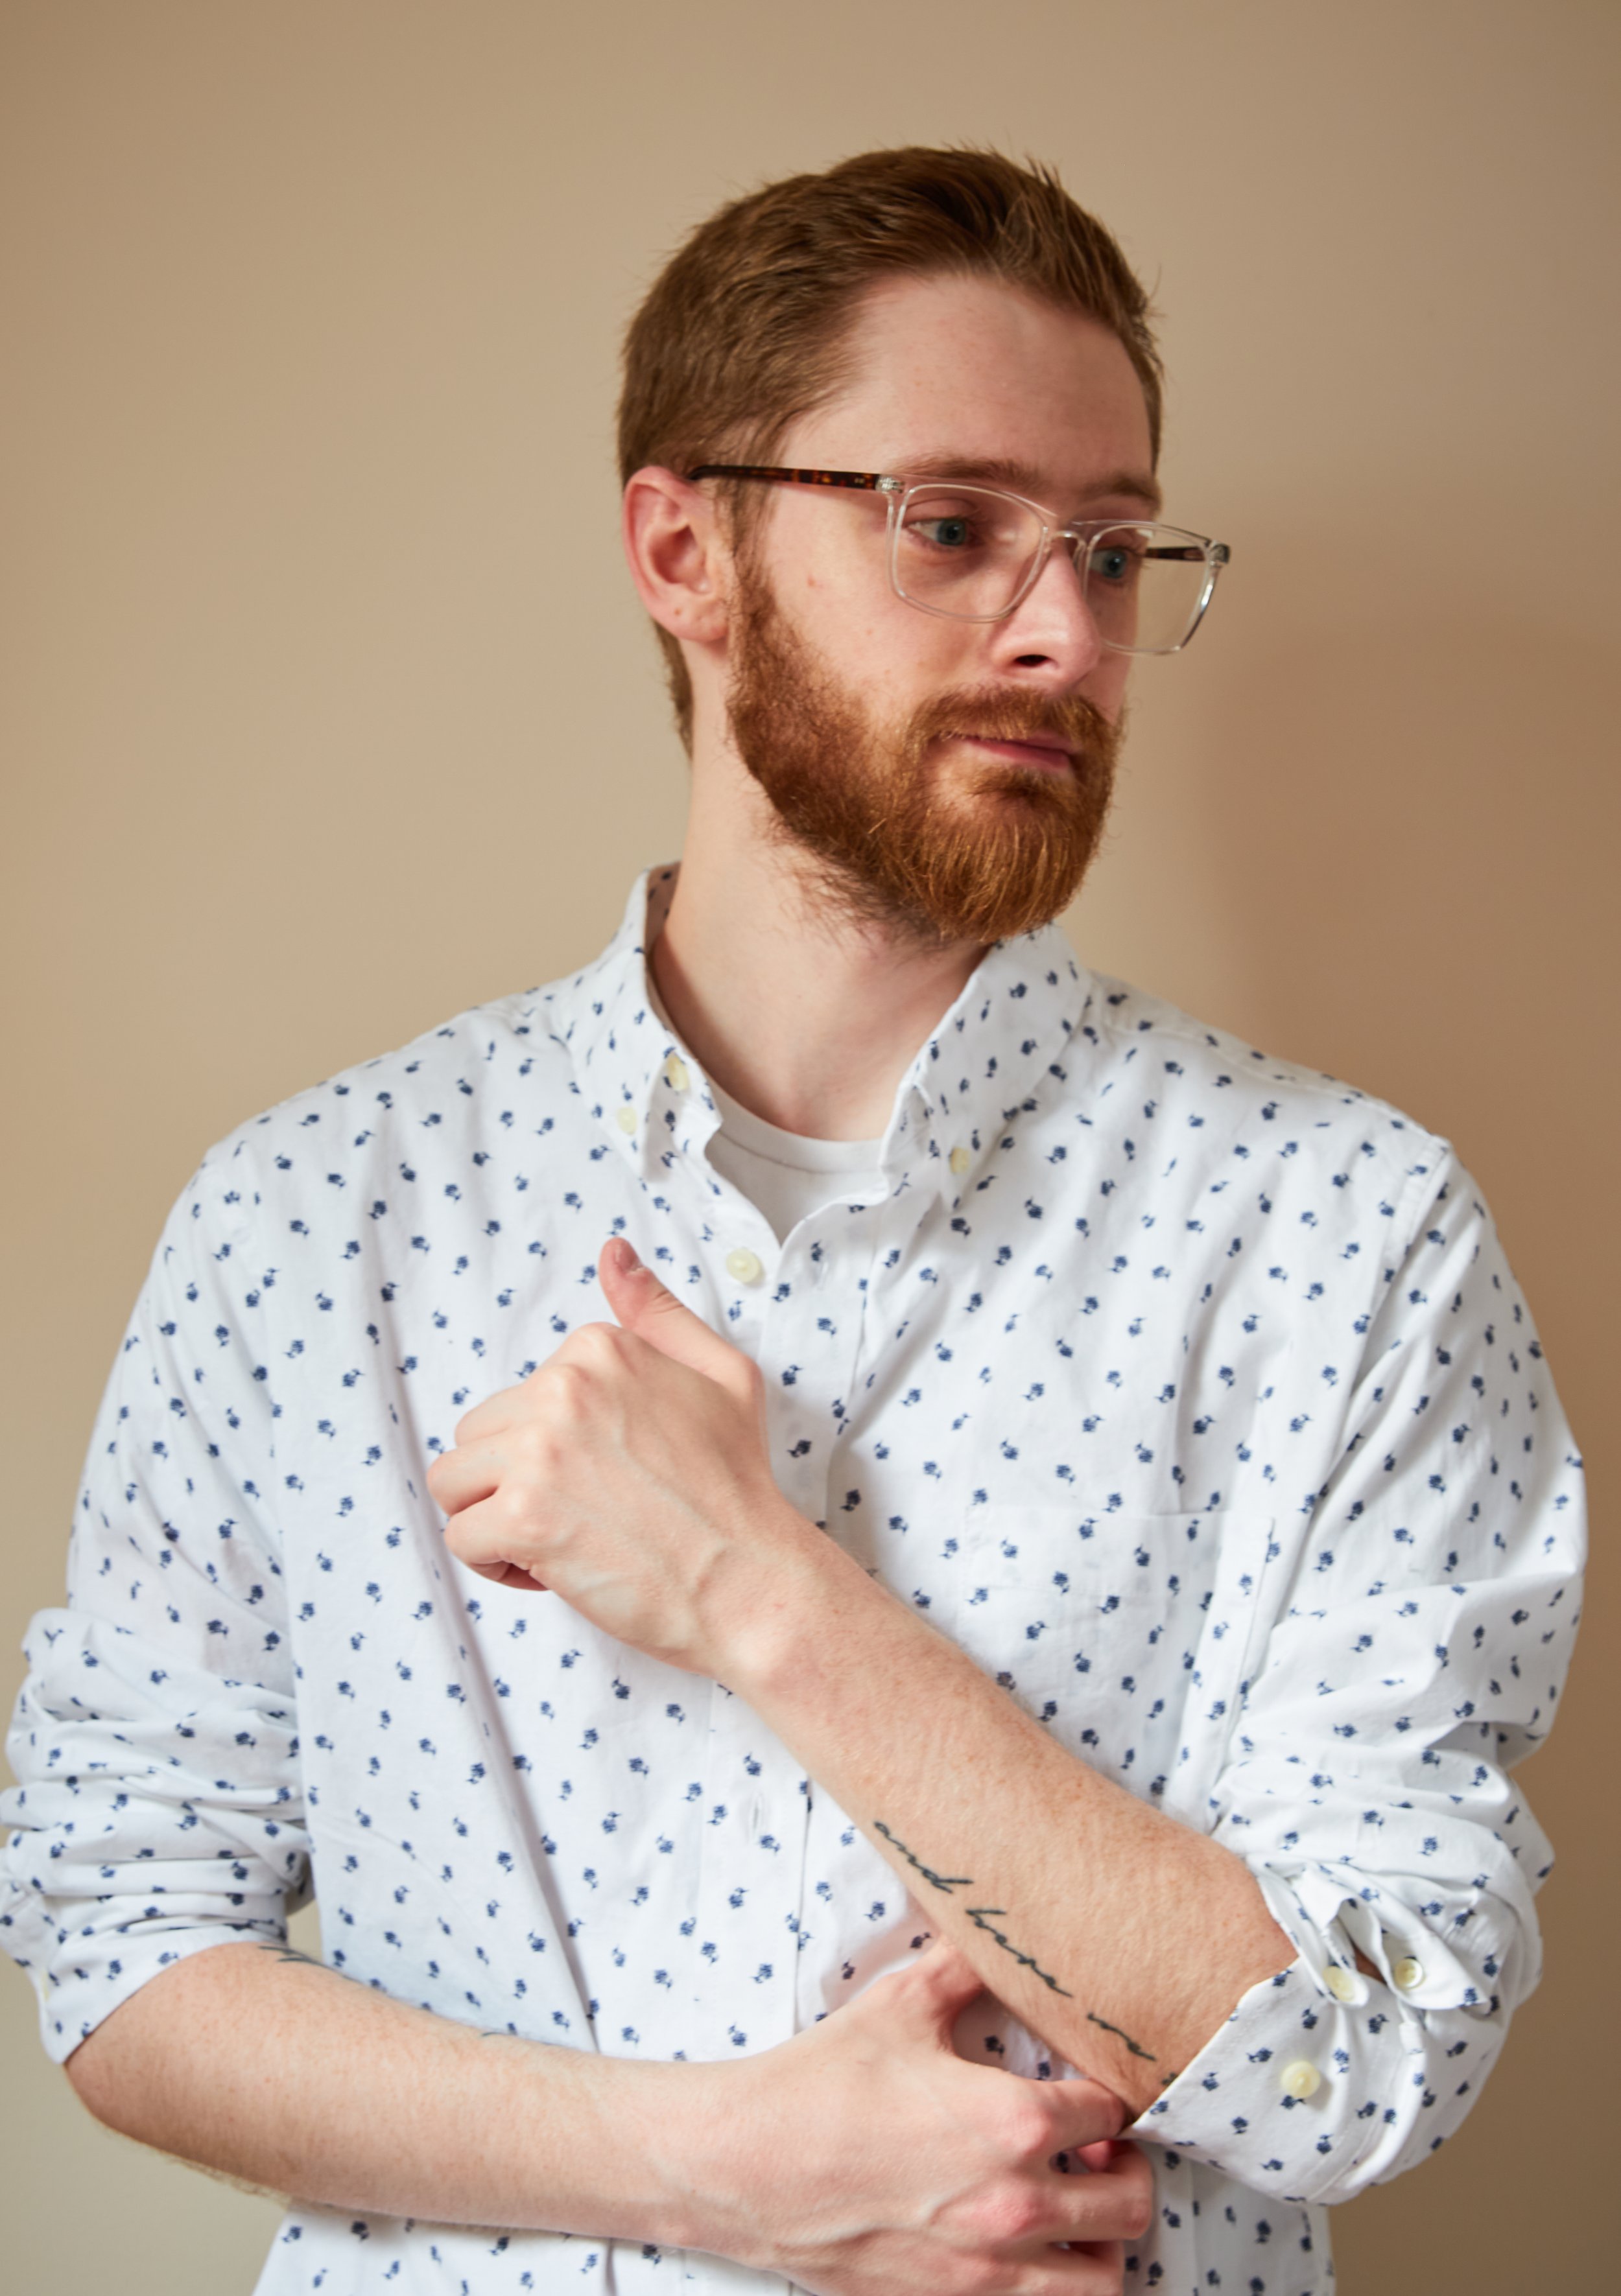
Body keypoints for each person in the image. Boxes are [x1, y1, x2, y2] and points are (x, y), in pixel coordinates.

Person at [1, 147, 1584, 2296]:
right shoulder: (308, 1224)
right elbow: (115, 1946)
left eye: (1114, 547)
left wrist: (764, 1591)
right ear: (687, 550)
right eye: (950, 524)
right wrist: (712, 2170)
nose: (1067, 630)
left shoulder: (1348, 1236)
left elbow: (1367, 2053)